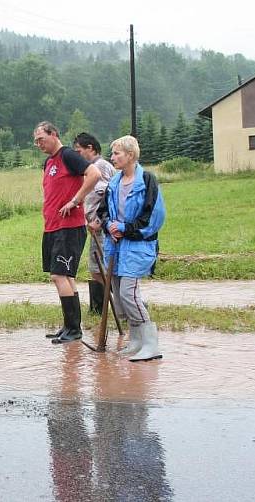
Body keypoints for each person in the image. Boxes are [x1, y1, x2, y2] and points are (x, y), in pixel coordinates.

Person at [97, 135, 165, 361]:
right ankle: (136, 341)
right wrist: (109, 226)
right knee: (120, 297)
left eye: (117, 153)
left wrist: (125, 229)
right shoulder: (114, 183)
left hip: (138, 246)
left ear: (131, 155)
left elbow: (153, 217)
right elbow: (103, 211)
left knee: (129, 294)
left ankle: (151, 344)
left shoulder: (147, 180)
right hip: (115, 247)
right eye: (113, 153)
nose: (112, 157)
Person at [34, 121, 101, 344]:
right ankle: (70, 326)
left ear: (54, 134)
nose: (38, 144)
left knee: (59, 275)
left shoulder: (68, 156)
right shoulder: (49, 162)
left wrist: (76, 200)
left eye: (41, 139)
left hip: (69, 226)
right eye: (36, 141)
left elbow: (94, 174)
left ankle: (74, 329)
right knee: (66, 276)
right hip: (52, 226)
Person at [72, 132, 115, 314]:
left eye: (79, 150)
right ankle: (112, 306)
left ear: (90, 148)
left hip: (103, 227)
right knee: (96, 270)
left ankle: (124, 304)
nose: (77, 155)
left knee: (104, 269)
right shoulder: (89, 168)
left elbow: (109, 196)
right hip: (94, 228)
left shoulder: (101, 167)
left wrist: (99, 219)